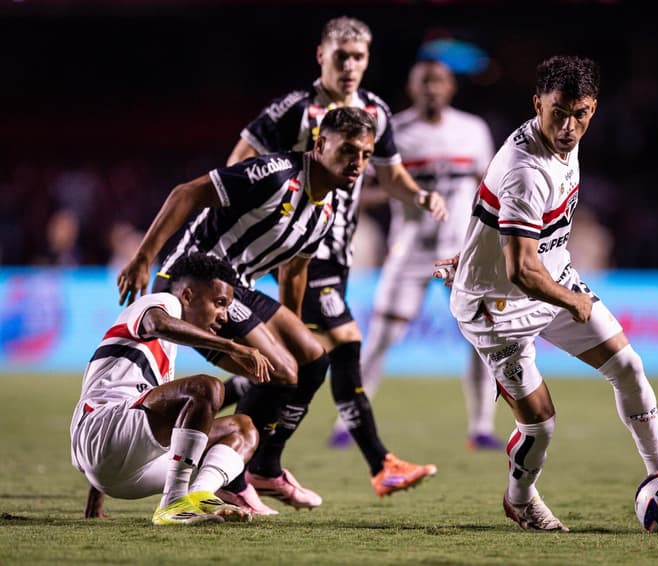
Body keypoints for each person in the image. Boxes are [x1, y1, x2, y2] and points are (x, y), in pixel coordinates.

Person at [437, 55, 658, 531]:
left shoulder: (565, 143)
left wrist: (471, 254)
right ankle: (520, 499)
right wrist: (573, 300)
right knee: (541, 425)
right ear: (537, 103)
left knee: (628, 366)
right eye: (558, 112)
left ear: (593, 108)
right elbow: (522, 269)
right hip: (497, 307)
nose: (568, 126)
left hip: (549, 276)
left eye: (579, 113)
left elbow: (498, 220)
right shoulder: (526, 168)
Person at [114, 107, 392, 516]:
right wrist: (144, 257)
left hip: (238, 287)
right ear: (319, 145)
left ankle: (262, 467)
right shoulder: (275, 174)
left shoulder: (325, 209)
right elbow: (185, 193)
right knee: (282, 373)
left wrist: (289, 331)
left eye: (366, 154)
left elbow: (294, 269)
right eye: (348, 149)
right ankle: (230, 472)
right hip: (195, 280)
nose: (358, 162)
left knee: (312, 360)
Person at [225, 16, 442, 497]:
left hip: (338, 252)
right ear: (320, 55)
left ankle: (230, 422)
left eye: (358, 57)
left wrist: (422, 197)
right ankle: (375, 463)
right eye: (340, 55)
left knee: (305, 361)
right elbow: (238, 163)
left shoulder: (376, 112)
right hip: (301, 249)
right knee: (341, 344)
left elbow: (391, 175)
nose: (349, 65)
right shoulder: (294, 111)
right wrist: (273, 208)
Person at [337, 59, 501, 451]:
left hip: (461, 251)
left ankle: (481, 428)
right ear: (412, 88)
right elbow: (367, 187)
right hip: (410, 250)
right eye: (424, 82)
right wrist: (403, 194)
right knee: (380, 337)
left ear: (451, 87)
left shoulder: (472, 130)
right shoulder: (394, 131)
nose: (432, 88)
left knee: (481, 337)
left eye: (439, 81)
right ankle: (348, 424)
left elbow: (490, 187)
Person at [71, 253, 273, 525]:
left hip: (124, 470)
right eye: (220, 303)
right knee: (206, 387)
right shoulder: (162, 302)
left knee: (243, 428)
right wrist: (232, 346)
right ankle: (175, 502)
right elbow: (158, 324)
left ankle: (200, 493)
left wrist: (95, 502)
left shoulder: (164, 353)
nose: (224, 316)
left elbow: (116, 398)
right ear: (188, 296)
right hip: (103, 437)